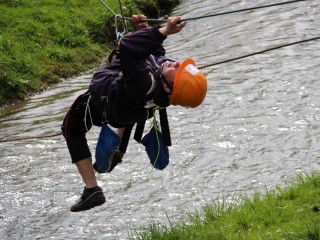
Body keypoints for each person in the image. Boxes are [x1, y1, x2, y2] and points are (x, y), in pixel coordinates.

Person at [61, 15, 207, 212]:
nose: (177, 63)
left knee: (71, 129)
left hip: (103, 106)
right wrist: (144, 31)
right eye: (181, 66)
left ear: (168, 89)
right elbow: (155, 56)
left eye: (178, 71)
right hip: (131, 111)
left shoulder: (144, 83)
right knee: (128, 105)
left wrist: (162, 31)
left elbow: (128, 46)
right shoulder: (161, 89)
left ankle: (92, 189)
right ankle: (118, 148)